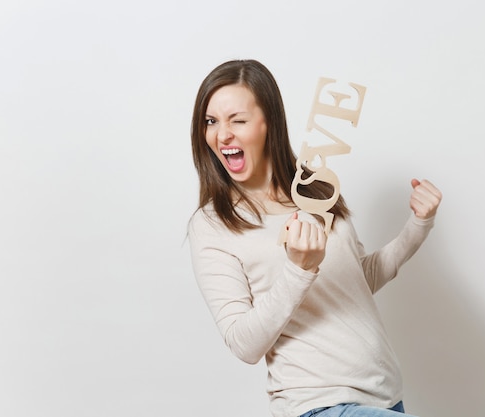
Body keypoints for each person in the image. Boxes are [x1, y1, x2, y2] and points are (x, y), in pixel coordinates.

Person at [187, 59, 442, 417]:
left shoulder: (316, 190)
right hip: (317, 406)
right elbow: (244, 344)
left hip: (384, 396)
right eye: (211, 121)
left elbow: (358, 279)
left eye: (237, 120)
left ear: (269, 123)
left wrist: (417, 226)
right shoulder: (213, 225)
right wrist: (298, 269)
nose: (222, 134)